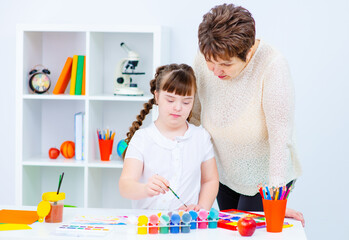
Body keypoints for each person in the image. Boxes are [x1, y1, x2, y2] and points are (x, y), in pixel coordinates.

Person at [191, 3, 304, 225]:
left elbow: (280, 136)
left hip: (264, 178)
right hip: (223, 172)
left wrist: (275, 200)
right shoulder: (208, 53)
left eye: (225, 64)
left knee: (251, 232)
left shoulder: (273, 65)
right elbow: (193, 116)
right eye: (210, 63)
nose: (215, 71)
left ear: (249, 51)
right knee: (229, 231)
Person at [119, 63, 219, 211]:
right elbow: (125, 185)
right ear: (157, 96)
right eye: (170, 100)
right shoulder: (142, 138)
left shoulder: (201, 138)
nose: (178, 107)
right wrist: (145, 189)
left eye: (186, 102)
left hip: (187, 227)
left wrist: (201, 209)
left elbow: (210, 180)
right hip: (148, 227)